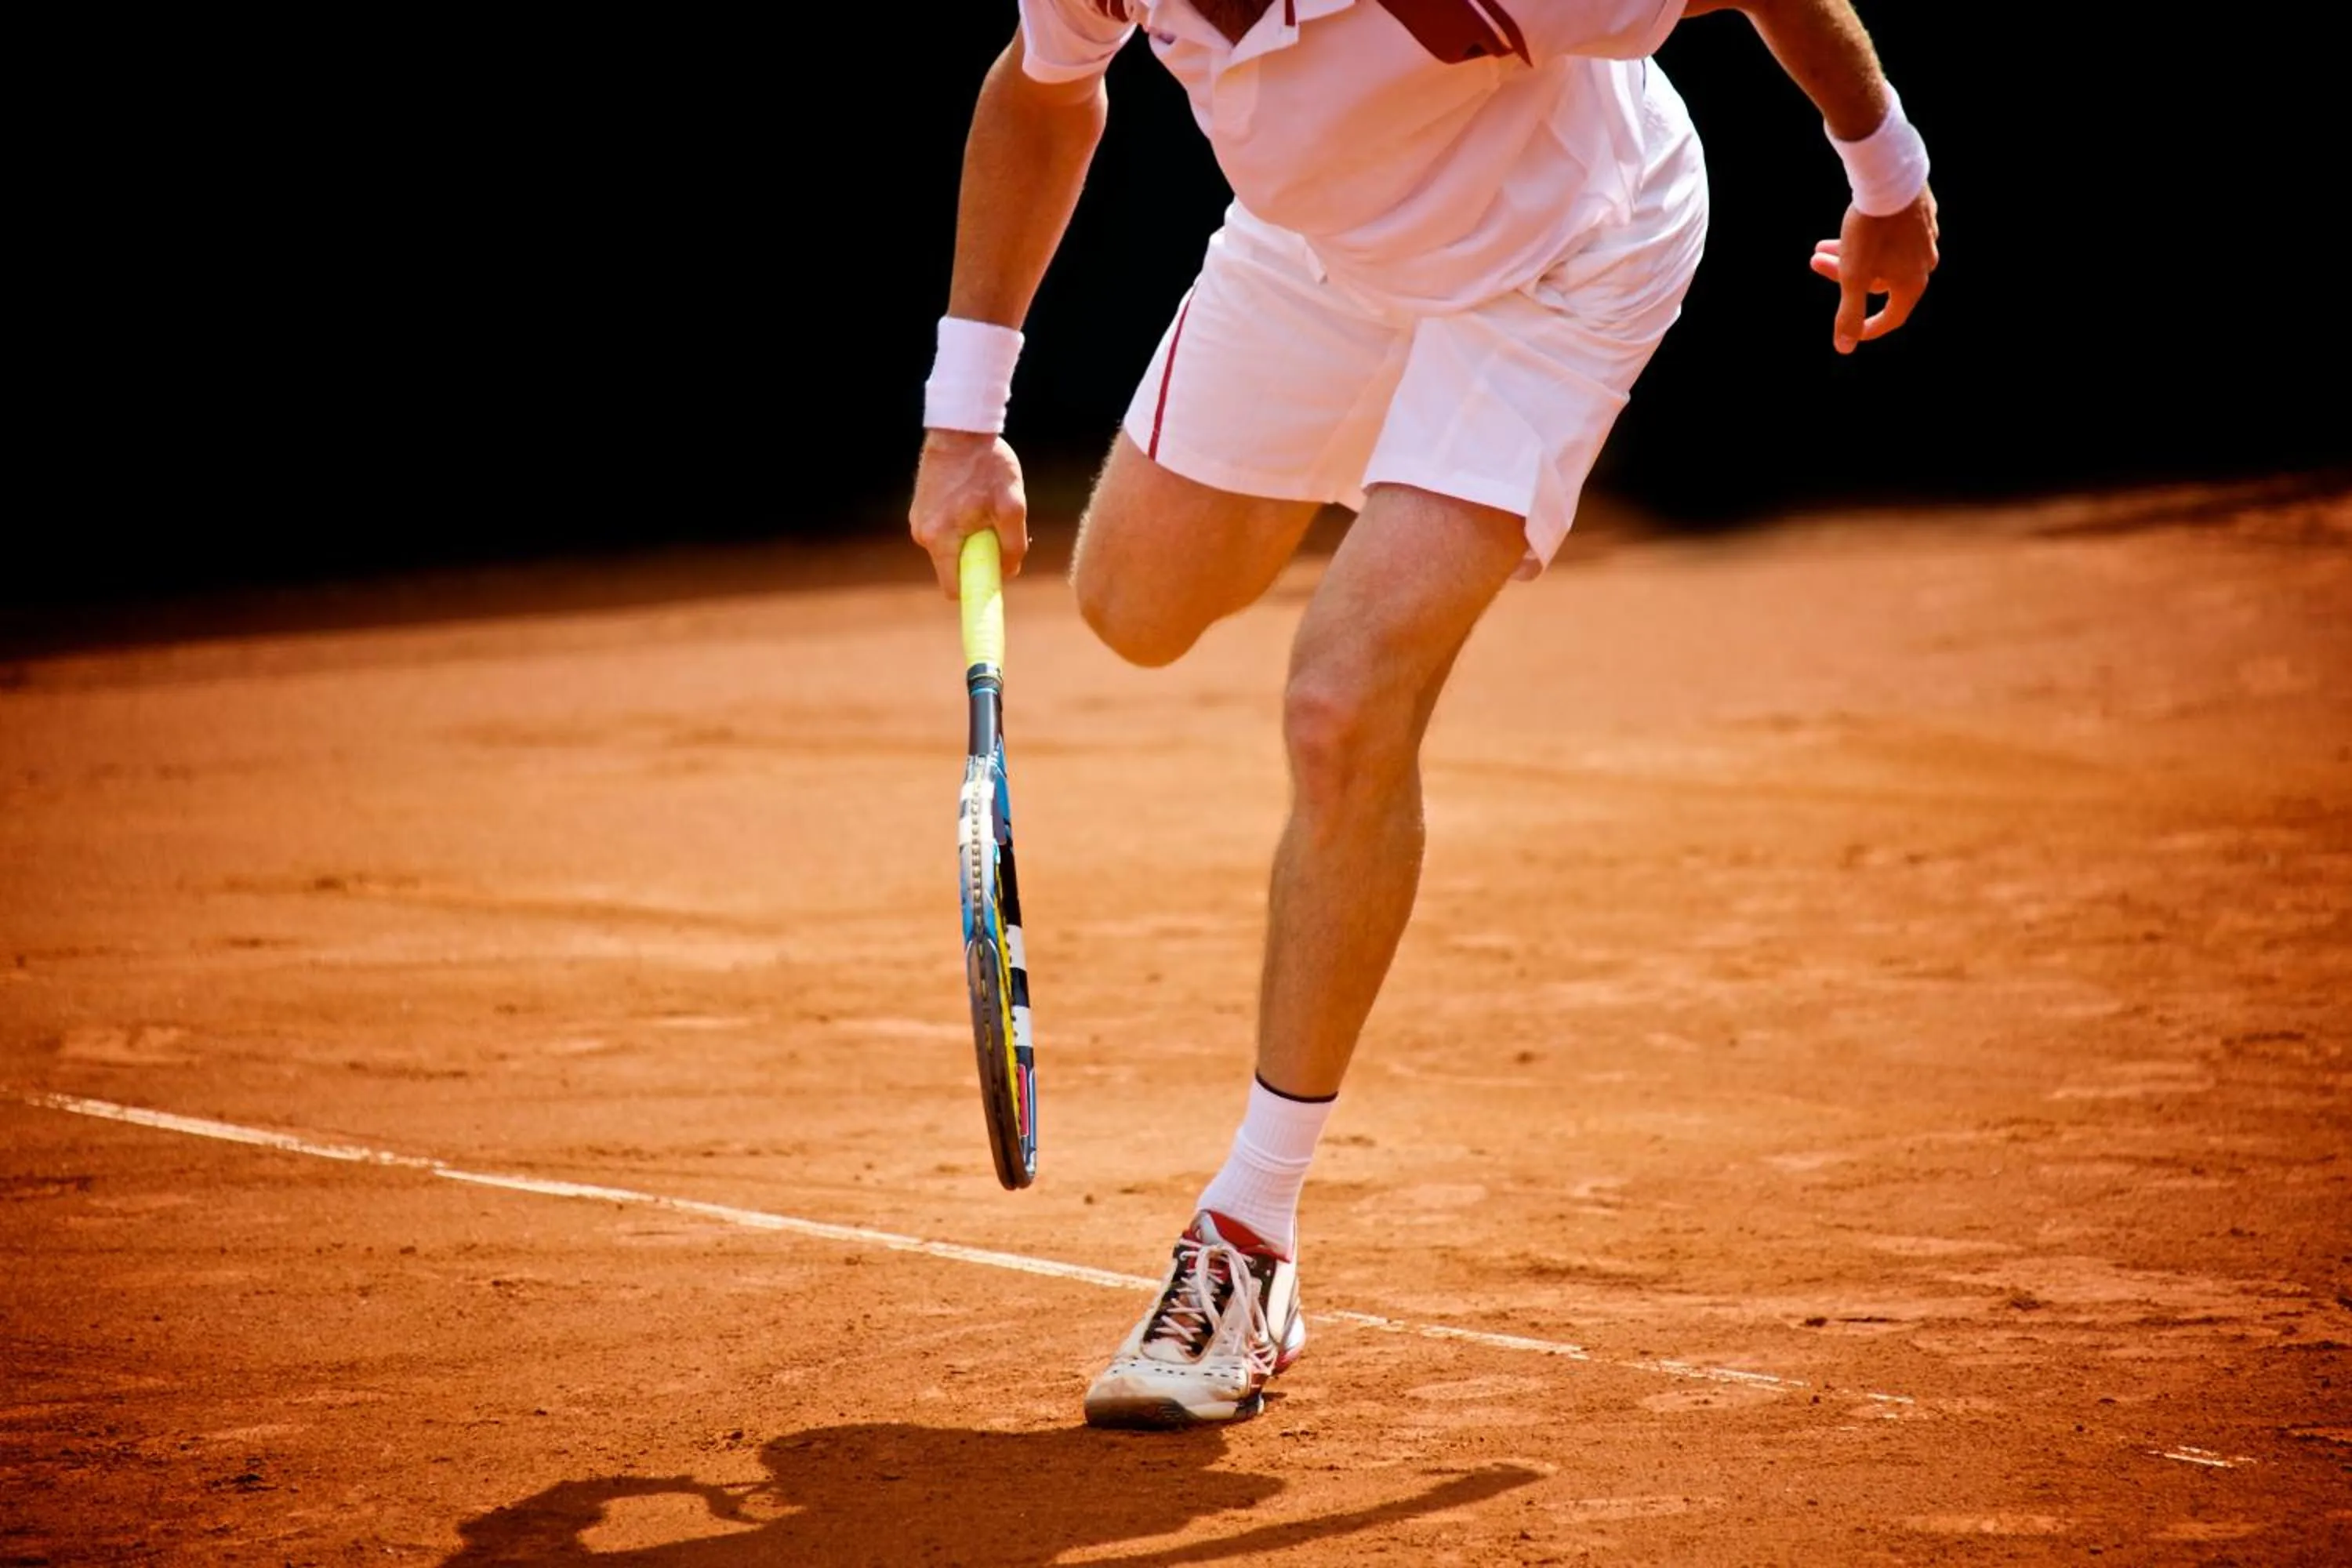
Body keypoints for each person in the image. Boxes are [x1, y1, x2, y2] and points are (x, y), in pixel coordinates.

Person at [907, 0, 1939, 1430]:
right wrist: (966, 419)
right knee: (1132, 602)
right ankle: (1396, 444)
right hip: (1319, 251)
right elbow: (1042, 92)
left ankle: (1250, 1239)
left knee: (1342, 704)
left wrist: (1887, 173)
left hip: (1563, 263)